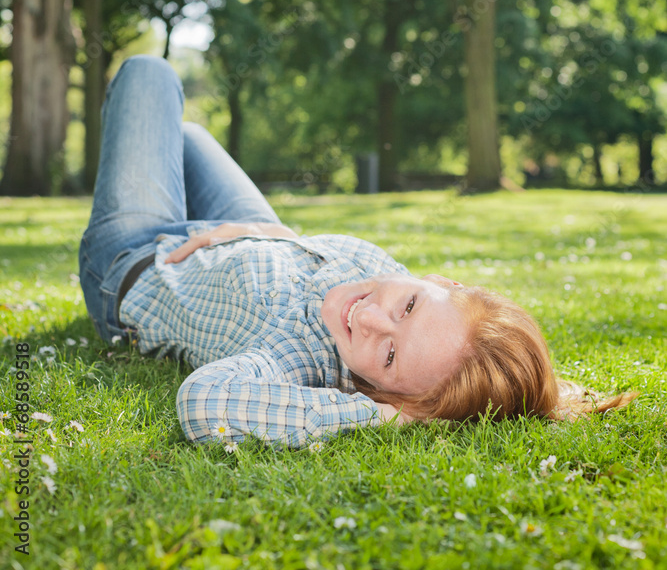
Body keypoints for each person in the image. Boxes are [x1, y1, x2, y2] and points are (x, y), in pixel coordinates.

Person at [79, 56, 636, 450]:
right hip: (256, 232)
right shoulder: (399, 290)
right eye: (409, 307)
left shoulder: (298, 361)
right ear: (442, 281)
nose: (366, 317)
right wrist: (265, 236)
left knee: (149, 76)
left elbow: (203, 403)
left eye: (389, 357)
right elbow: (316, 259)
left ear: (391, 397)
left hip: (139, 260)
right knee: (189, 135)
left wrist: (376, 420)